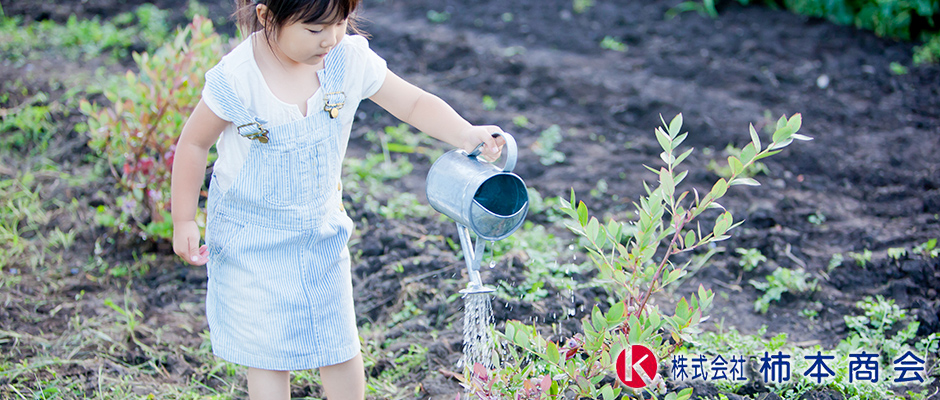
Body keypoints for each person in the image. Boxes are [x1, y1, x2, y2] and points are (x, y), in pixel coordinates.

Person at [170, 0, 505, 398]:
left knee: (338, 340)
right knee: (268, 351)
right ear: (266, 16)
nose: (330, 38)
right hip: (251, 240)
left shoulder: (346, 60)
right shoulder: (239, 77)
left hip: (319, 229)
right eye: (314, 30)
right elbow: (193, 143)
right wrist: (184, 220)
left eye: (340, 23)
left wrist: (465, 133)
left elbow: (412, 103)